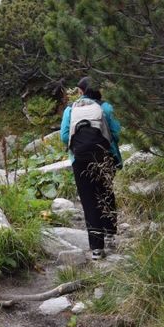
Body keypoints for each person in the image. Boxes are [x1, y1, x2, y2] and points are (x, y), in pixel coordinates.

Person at [60, 76, 122, 260]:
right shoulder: (106, 107)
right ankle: (110, 233)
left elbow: (64, 137)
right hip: (104, 157)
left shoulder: (70, 109)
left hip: (79, 159)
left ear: (81, 91)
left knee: (88, 201)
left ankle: (96, 248)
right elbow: (117, 132)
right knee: (105, 193)